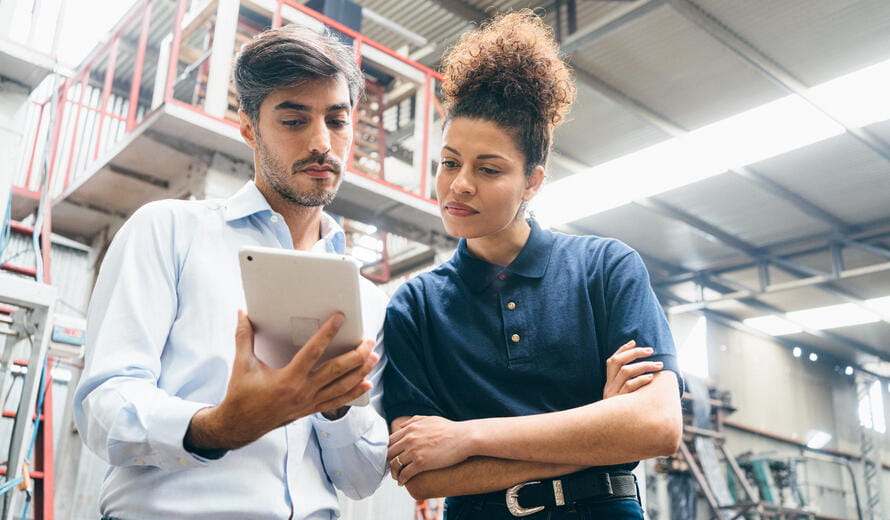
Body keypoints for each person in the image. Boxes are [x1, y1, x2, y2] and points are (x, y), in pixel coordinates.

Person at [74, 25, 389, 519]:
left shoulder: (367, 300)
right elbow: (103, 408)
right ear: (249, 128)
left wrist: (334, 407)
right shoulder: (170, 232)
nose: (321, 142)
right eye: (293, 119)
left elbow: (362, 478)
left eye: (337, 119)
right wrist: (216, 427)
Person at [382, 11, 683, 519]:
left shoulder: (605, 270)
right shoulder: (416, 305)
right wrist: (599, 431)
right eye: (450, 162)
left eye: (489, 169)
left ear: (533, 181)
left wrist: (469, 436)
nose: (459, 185)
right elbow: (422, 474)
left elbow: (656, 426)